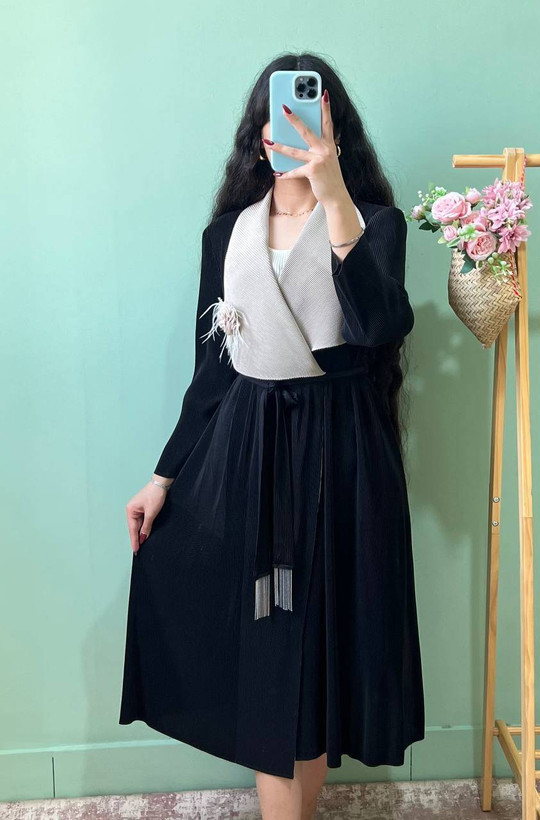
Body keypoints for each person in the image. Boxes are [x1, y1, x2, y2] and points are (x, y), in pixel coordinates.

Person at [120, 52, 425, 820]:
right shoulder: (226, 235)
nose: (288, 131)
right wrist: (162, 478)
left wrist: (332, 192)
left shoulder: (373, 224)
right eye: (275, 118)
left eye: (307, 116)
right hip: (251, 454)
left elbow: (379, 327)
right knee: (268, 643)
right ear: (257, 136)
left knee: (315, 653)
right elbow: (213, 371)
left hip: (343, 458)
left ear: (335, 131)